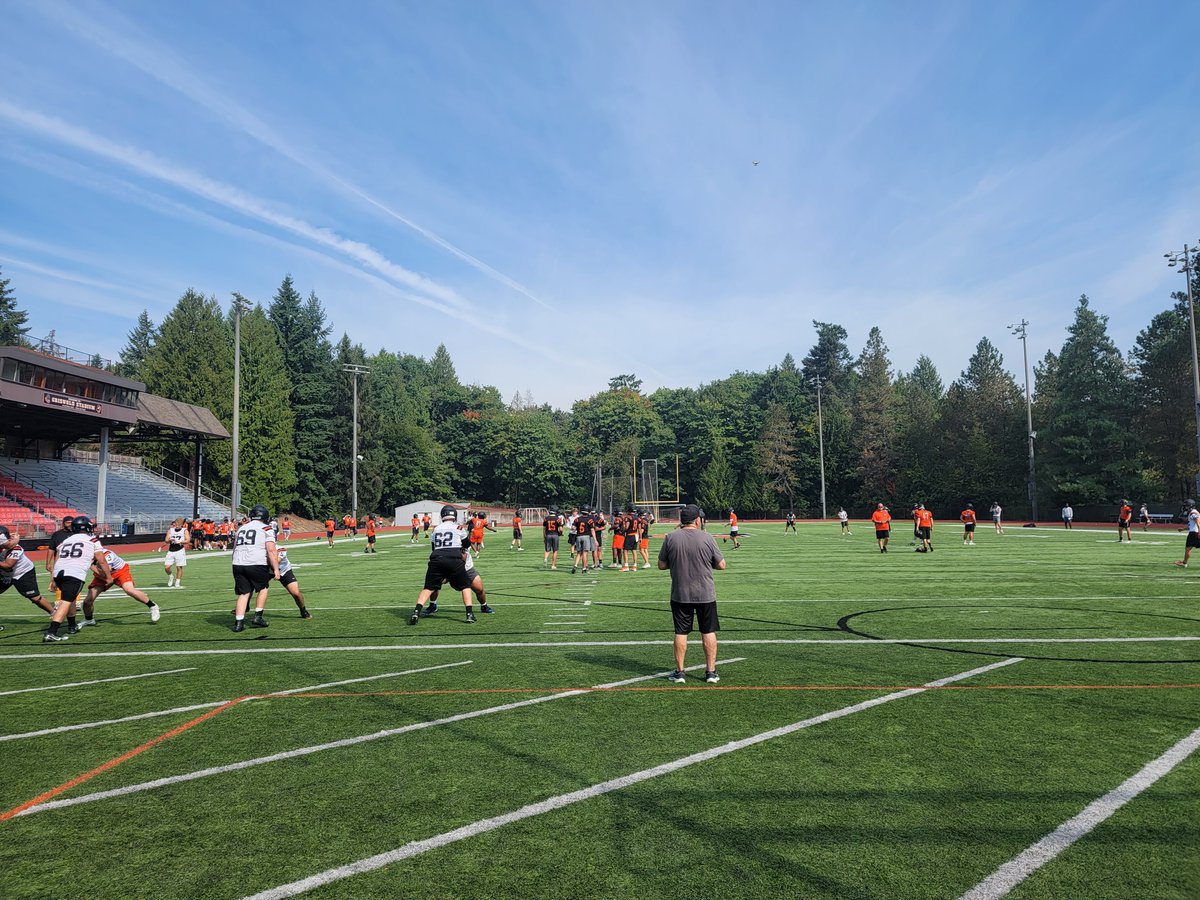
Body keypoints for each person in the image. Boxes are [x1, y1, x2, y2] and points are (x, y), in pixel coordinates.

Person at [658, 504, 726, 684]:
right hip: (705, 592)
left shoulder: (670, 537)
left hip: (680, 592)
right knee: (708, 631)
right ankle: (711, 672)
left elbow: (661, 564)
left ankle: (680, 672)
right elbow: (721, 565)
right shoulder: (707, 537)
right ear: (697, 520)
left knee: (681, 632)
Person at [45, 518, 111, 643]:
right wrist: (108, 577)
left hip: (59, 572)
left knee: (71, 599)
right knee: (66, 602)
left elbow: (57, 556)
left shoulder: (65, 540)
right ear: (86, 527)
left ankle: (72, 626)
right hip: (74, 573)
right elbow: (102, 561)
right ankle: (51, 632)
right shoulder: (92, 540)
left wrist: (53, 578)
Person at [409, 505, 477, 624]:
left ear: (442, 516)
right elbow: (466, 544)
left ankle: (416, 613)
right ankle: (469, 614)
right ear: (454, 516)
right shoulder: (458, 527)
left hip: (437, 559)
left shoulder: (436, 529)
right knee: (465, 586)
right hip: (454, 559)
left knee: (428, 588)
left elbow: (434, 547)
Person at [78, 546, 161, 626]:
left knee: (129, 590)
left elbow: (106, 572)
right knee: (88, 600)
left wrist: (91, 565)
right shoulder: (88, 555)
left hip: (120, 571)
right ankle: (89, 620)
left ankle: (152, 606)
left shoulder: (107, 555)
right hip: (102, 574)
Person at [231, 505, 280, 632]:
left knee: (244, 593)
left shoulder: (241, 528)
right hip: (256, 562)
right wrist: (276, 569)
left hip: (238, 563)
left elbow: (235, 549)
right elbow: (271, 549)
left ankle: (239, 623)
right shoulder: (266, 528)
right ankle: (258, 616)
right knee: (263, 588)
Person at [0, 526, 55, 616]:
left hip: (22, 573)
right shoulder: (9, 542)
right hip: (5, 574)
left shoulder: (16, 549)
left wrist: (14, 541)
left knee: (34, 597)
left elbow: (8, 565)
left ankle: (53, 613)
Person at [275, 547, 312, 618]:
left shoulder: (280, 548)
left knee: (296, 593)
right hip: (267, 571)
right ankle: (249, 608)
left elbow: (277, 561)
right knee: (253, 587)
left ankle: (303, 610)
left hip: (284, 570)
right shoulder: (259, 548)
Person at [45, 515, 75, 602]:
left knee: (74, 581)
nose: (70, 525)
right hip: (59, 561)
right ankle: (59, 600)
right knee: (59, 581)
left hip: (74, 561)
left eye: (71, 523)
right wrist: (48, 563)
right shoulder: (57, 535)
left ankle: (76, 601)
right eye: (68, 523)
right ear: (63, 523)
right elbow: (51, 549)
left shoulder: (76, 534)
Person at [159, 517, 190, 588]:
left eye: (179, 523)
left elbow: (188, 540)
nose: (177, 525)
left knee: (179, 567)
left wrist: (179, 541)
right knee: (167, 567)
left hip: (180, 550)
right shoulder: (171, 530)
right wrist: (170, 540)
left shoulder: (184, 530)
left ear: (182, 524)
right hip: (171, 550)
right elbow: (166, 540)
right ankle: (170, 576)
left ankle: (177, 582)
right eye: (176, 523)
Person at [572, 506, 594, 574]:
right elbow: (592, 530)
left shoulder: (577, 519)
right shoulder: (590, 520)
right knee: (585, 553)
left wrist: (576, 528)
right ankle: (584, 567)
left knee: (579, 553)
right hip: (586, 537)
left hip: (578, 537)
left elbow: (573, 528)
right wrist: (595, 540)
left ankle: (575, 565)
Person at [1176, 502, 1200, 568]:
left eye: (1186, 506)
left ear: (1190, 506)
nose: (1185, 508)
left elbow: (1198, 523)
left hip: (1194, 534)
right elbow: (1192, 525)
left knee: (1188, 549)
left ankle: (1184, 563)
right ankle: (1184, 562)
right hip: (1194, 533)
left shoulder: (1193, 513)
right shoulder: (1193, 512)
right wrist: (1183, 529)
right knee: (1188, 549)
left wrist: (1199, 532)